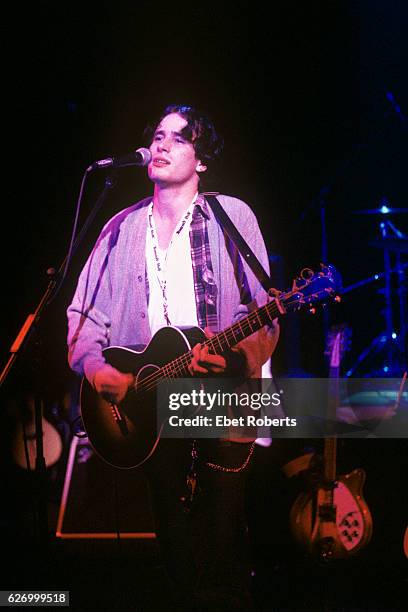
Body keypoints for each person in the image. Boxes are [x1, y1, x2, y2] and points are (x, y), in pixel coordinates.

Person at [67, 104, 279, 611]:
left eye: (178, 139)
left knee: (222, 536)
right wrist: (97, 370)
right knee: (174, 542)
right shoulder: (119, 228)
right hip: (150, 411)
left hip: (224, 402)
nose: (160, 145)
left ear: (201, 159)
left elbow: (266, 311)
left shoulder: (233, 216)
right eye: (157, 136)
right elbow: (83, 316)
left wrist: (232, 361)